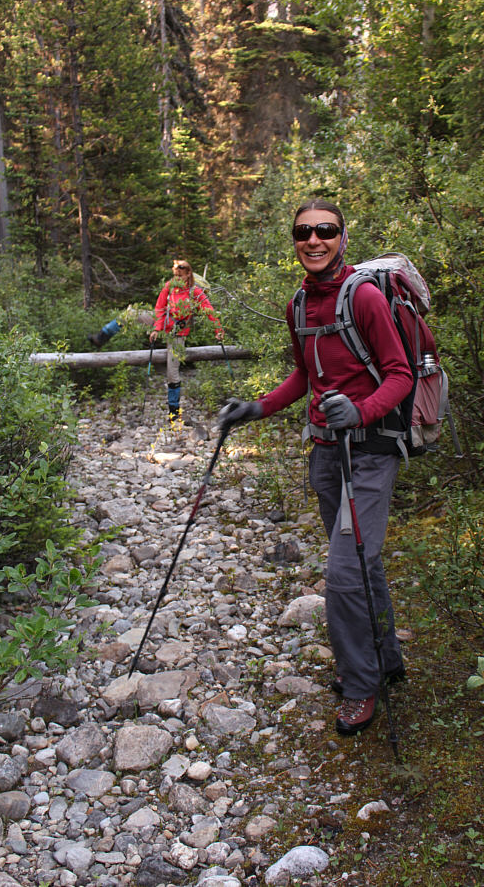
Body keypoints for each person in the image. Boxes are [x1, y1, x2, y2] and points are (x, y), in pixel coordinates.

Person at [218, 199, 413, 737]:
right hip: (326, 453)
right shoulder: (299, 305)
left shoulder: (365, 297)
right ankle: (385, 659)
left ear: (342, 238)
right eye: (303, 232)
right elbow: (303, 377)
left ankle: (360, 685)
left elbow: (399, 374)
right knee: (363, 563)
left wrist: (362, 411)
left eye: (325, 230)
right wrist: (256, 408)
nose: (313, 239)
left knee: (345, 574)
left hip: (369, 452)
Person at [150, 259, 224, 420]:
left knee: (172, 372)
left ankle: (174, 412)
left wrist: (218, 330)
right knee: (131, 315)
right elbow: (159, 308)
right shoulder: (169, 287)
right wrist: (156, 328)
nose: (177, 279)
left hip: (178, 334)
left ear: (188, 274)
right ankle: (103, 335)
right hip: (164, 325)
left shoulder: (194, 292)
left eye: (180, 276)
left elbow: (209, 310)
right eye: (175, 275)